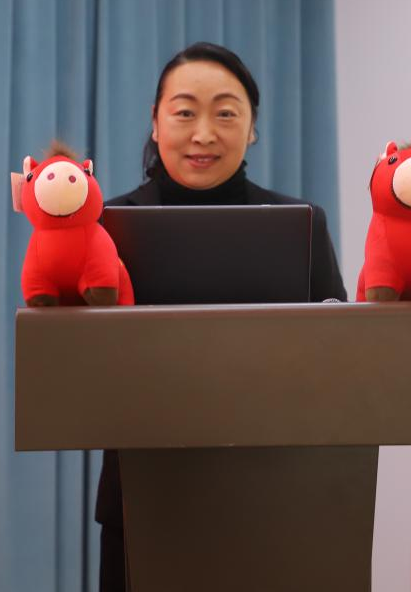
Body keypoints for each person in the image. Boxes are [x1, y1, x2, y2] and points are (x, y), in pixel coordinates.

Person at [95, 41, 347, 592]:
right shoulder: (106, 226)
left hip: (274, 495)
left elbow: (341, 359)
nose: (204, 134)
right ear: (156, 122)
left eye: (226, 114)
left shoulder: (302, 222)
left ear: (252, 127)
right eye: (185, 112)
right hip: (142, 497)